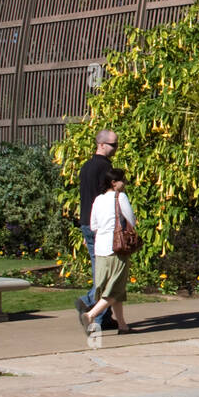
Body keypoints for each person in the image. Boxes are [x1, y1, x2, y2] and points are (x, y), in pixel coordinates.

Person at [82, 167, 135, 335]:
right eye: (123, 180)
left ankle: (122, 326)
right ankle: (90, 315)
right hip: (117, 248)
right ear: (114, 183)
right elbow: (131, 221)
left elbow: (94, 226)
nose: (125, 183)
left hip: (100, 249)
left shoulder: (98, 200)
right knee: (115, 289)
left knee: (112, 287)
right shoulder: (121, 197)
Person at [77, 130, 118, 329]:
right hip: (100, 226)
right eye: (113, 145)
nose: (115, 149)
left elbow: (85, 197)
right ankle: (88, 303)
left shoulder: (86, 166)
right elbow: (104, 199)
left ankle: (105, 317)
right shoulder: (104, 167)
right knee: (106, 274)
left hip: (87, 222)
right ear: (101, 144)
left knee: (100, 271)